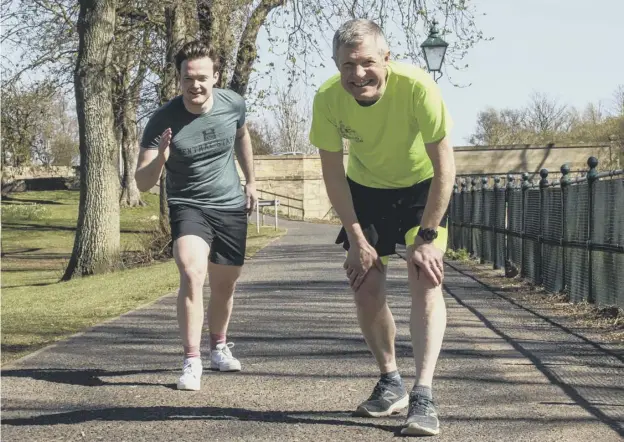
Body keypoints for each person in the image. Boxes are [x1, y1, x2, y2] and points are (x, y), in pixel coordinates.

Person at [309, 19, 456, 436]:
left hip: (421, 188)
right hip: (366, 188)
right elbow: (333, 175)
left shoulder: (417, 87)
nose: (357, 75)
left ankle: (424, 394)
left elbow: (446, 165)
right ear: (336, 66)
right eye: (347, 66)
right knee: (365, 284)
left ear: (386, 59)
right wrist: (356, 238)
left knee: (424, 278)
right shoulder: (327, 99)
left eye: (367, 63)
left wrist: (426, 237)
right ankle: (391, 380)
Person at [135, 40, 257, 391]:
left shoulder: (233, 103)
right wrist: (161, 157)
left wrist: (251, 181)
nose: (195, 85)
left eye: (203, 77)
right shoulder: (162, 119)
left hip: (230, 205)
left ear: (215, 77)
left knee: (225, 284)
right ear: (179, 78)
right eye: (188, 78)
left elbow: (241, 134)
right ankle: (191, 361)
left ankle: (218, 346)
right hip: (188, 205)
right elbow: (142, 183)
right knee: (191, 271)